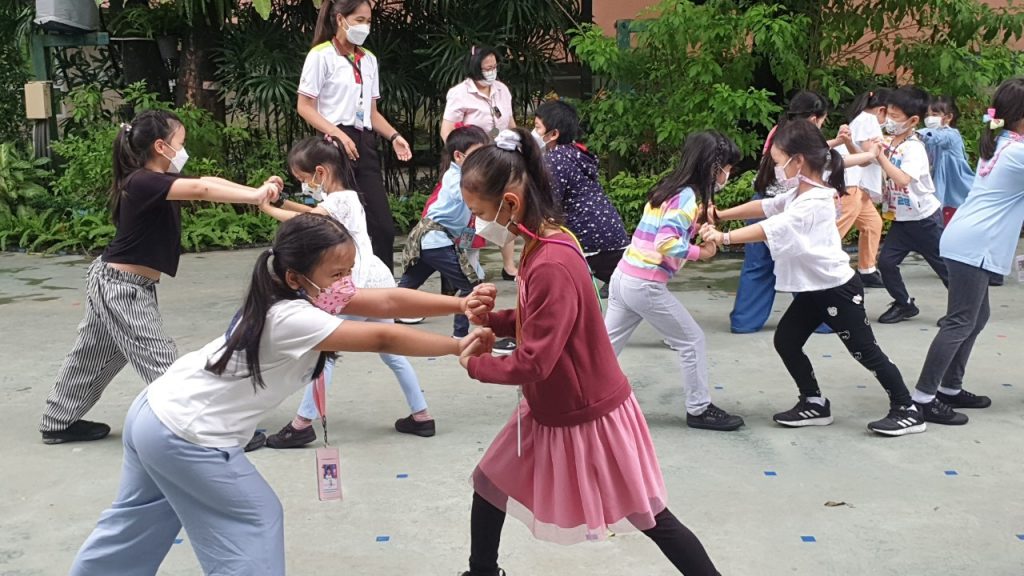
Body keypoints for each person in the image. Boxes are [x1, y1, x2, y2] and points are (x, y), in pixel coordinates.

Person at [68, 213, 496, 575]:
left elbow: (384, 302)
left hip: (156, 411)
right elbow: (383, 336)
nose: (346, 283)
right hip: (186, 433)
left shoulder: (295, 294)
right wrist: (457, 345)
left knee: (136, 523)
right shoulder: (291, 316)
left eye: (349, 272)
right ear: (296, 276)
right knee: (255, 519)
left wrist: (459, 305)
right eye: (338, 274)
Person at [456, 129, 721, 576]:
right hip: (550, 407)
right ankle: (482, 571)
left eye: (480, 212)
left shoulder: (551, 261)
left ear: (510, 204)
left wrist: (476, 365)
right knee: (488, 484)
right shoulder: (546, 242)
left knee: (650, 516)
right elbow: (542, 318)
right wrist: (495, 320)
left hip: (589, 414)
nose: (476, 223)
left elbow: (535, 360)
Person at [39, 110, 281, 445]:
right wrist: (255, 196)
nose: (183, 150)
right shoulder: (142, 181)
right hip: (120, 288)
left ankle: (58, 421)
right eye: (180, 143)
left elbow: (209, 181)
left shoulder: (160, 180)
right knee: (161, 360)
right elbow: (201, 190)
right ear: (160, 146)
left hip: (123, 284)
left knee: (93, 353)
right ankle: (207, 429)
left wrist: (256, 191)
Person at [702, 120, 925, 437]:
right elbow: (767, 206)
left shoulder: (815, 200)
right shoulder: (799, 192)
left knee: (865, 351)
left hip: (836, 290)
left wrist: (723, 238)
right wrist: (722, 215)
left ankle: (907, 408)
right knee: (787, 341)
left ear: (798, 160)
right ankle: (814, 402)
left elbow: (774, 227)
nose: (776, 169)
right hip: (812, 289)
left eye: (778, 161)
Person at [257, 135, 437, 446]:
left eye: (304, 178)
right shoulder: (344, 198)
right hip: (375, 281)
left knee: (324, 350)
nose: (304, 185)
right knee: (392, 352)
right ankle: (421, 415)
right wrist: (280, 200)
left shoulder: (340, 200)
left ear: (321, 172)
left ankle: (302, 425)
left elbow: (305, 219)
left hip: (353, 284)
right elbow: (311, 212)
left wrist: (267, 208)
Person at [604, 131, 745, 432]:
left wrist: (696, 225)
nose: (728, 175)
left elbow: (666, 231)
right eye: (727, 168)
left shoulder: (669, 188)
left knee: (604, 349)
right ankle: (699, 409)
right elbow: (666, 243)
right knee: (692, 341)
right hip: (645, 284)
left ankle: (575, 395)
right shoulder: (686, 197)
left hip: (624, 277)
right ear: (713, 168)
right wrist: (701, 253)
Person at [913, 77, 1024, 425]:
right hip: (974, 243)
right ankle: (923, 398)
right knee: (960, 322)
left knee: (977, 317)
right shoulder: (1017, 153)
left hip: (967, 238)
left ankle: (950, 387)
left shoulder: (1003, 143)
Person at [298, 0, 410, 272]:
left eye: (368, 21)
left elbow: (372, 112)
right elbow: (305, 106)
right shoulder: (321, 55)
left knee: (381, 226)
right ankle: (337, 283)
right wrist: (337, 134)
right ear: (340, 19)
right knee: (342, 225)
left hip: (365, 141)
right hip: (334, 144)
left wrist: (394, 136)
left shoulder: (369, 59)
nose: (365, 27)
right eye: (359, 20)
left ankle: (383, 286)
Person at [730, 91, 842, 333]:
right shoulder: (809, 141)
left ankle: (744, 322)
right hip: (791, 205)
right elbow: (827, 160)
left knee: (757, 267)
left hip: (764, 199)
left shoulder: (778, 131)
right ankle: (822, 321)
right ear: (815, 118)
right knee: (805, 264)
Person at [398, 125, 491, 340]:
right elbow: (464, 195)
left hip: (433, 241)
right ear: (458, 156)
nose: (483, 160)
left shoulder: (464, 175)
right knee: (470, 286)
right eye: (478, 155)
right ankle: (459, 336)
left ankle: (375, 315)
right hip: (435, 239)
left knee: (406, 287)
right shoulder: (455, 177)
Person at [532, 100, 631, 294]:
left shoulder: (555, 159)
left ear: (554, 134)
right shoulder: (574, 152)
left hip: (589, 240)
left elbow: (549, 205)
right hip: (610, 235)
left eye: (537, 127)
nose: (533, 133)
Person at [441, 45, 520, 282]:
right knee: (472, 213)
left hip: (501, 157)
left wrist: (519, 144)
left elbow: (510, 122)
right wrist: (463, 159)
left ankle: (509, 265)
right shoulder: (459, 93)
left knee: (507, 207)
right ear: (475, 68)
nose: (491, 71)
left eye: (494, 67)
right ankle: (467, 263)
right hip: (473, 162)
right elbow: (447, 131)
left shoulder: (502, 90)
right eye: (487, 68)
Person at [874, 86, 950, 324]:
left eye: (895, 116)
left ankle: (964, 310)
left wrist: (880, 157)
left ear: (913, 120)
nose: (889, 120)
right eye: (888, 113)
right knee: (886, 263)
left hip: (925, 219)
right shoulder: (890, 141)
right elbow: (868, 159)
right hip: (902, 219)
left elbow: (903, 178)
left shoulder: (914, 148)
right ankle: (904, 304)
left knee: (945, 268)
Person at [835, 89, 890, 288]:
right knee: (836, 228)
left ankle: (867, 270)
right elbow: (870, 153)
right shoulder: (869, 120)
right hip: (851, 183)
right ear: (882, 109)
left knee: (872, 224)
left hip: (857, 185)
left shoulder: (861, 119)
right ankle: (816, 260)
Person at [919, 95, 975, 224]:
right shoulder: (927, 137)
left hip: (956, 194)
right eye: (927, 115)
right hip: (938, 194)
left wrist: (915, 134)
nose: (929, 118)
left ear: (948, 117)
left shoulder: (952, 135)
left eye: (935, 114)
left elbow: (937, 137)